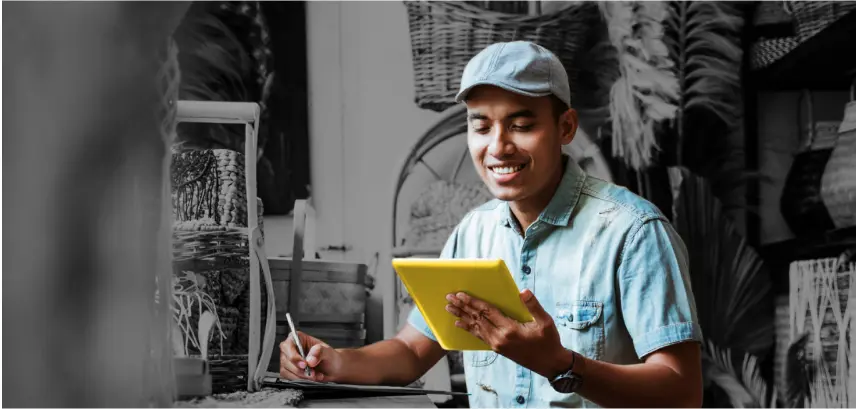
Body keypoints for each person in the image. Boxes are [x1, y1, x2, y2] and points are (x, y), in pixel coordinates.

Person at [280, 41, 704, 408]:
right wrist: (335, 361)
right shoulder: (473, 233)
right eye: (481, 126)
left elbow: (683, 394)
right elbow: (411, 351)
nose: (498, 146)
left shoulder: (633, 232)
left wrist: (560, 365)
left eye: (521, 125)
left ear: (566, 127)